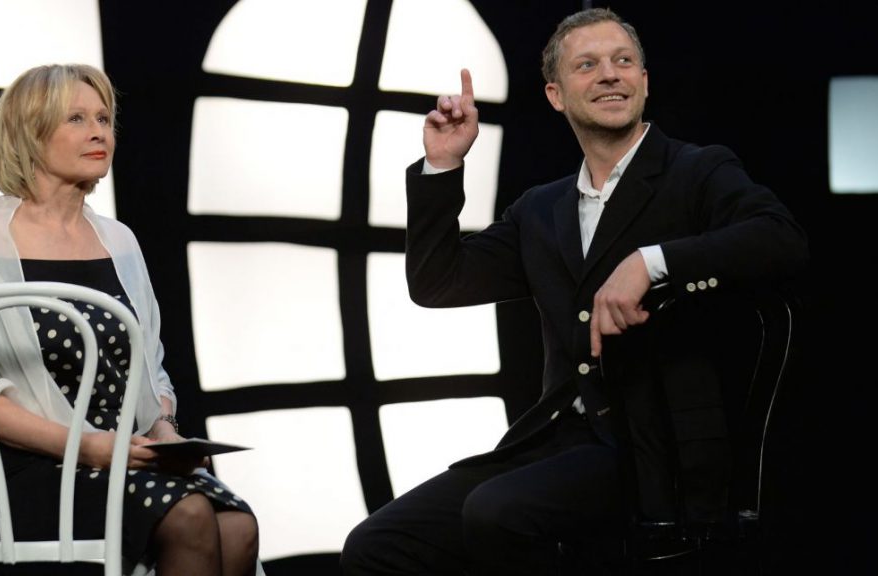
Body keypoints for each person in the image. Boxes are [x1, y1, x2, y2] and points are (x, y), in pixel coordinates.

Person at [341, 7, 808, 575]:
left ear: (644, 82)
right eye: (587, 65)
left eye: (623, 61)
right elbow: (439, 283)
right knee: (378, 543)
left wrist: (651, 262)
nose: (610, 74)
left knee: (497, 513)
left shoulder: (697, 171)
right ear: (556, 96)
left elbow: (781, 240)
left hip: (656, 449)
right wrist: (442, 165)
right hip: (556, 438)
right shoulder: (541, 208)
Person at [0, 64, 258, 575]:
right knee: (189, 515)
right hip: (30, 467)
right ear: (30, 133)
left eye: (104, 119)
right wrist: (88, 447)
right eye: (77, 119)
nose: (98, 132)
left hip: (124, 454)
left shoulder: (119, 240)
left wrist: (164, 431)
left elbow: (149, 368)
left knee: (237, 523)